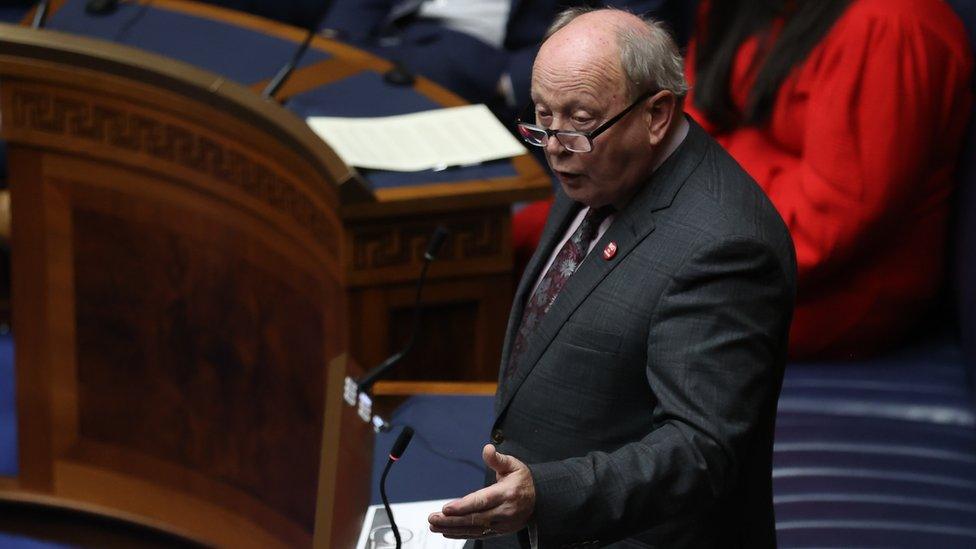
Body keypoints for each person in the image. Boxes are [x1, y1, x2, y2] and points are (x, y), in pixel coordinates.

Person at [428, 8, 796, 548]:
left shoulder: (726, 245)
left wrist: (545, 495)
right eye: (541, 118)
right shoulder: (594, 150)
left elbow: (699, 450)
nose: (554, 147)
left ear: (656, 115)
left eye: (576, 120)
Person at [681, 0, 973, 359]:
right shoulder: (738, 8)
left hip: (827, 293)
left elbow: (822, 230)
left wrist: (675, 246)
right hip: (729, 244)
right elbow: (683, 139)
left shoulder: (890, 24)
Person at [321, 0, 696, 113]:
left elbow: (636, 29)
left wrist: (512, 82)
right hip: (392, 37)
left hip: (500, 73)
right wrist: (338, 36)